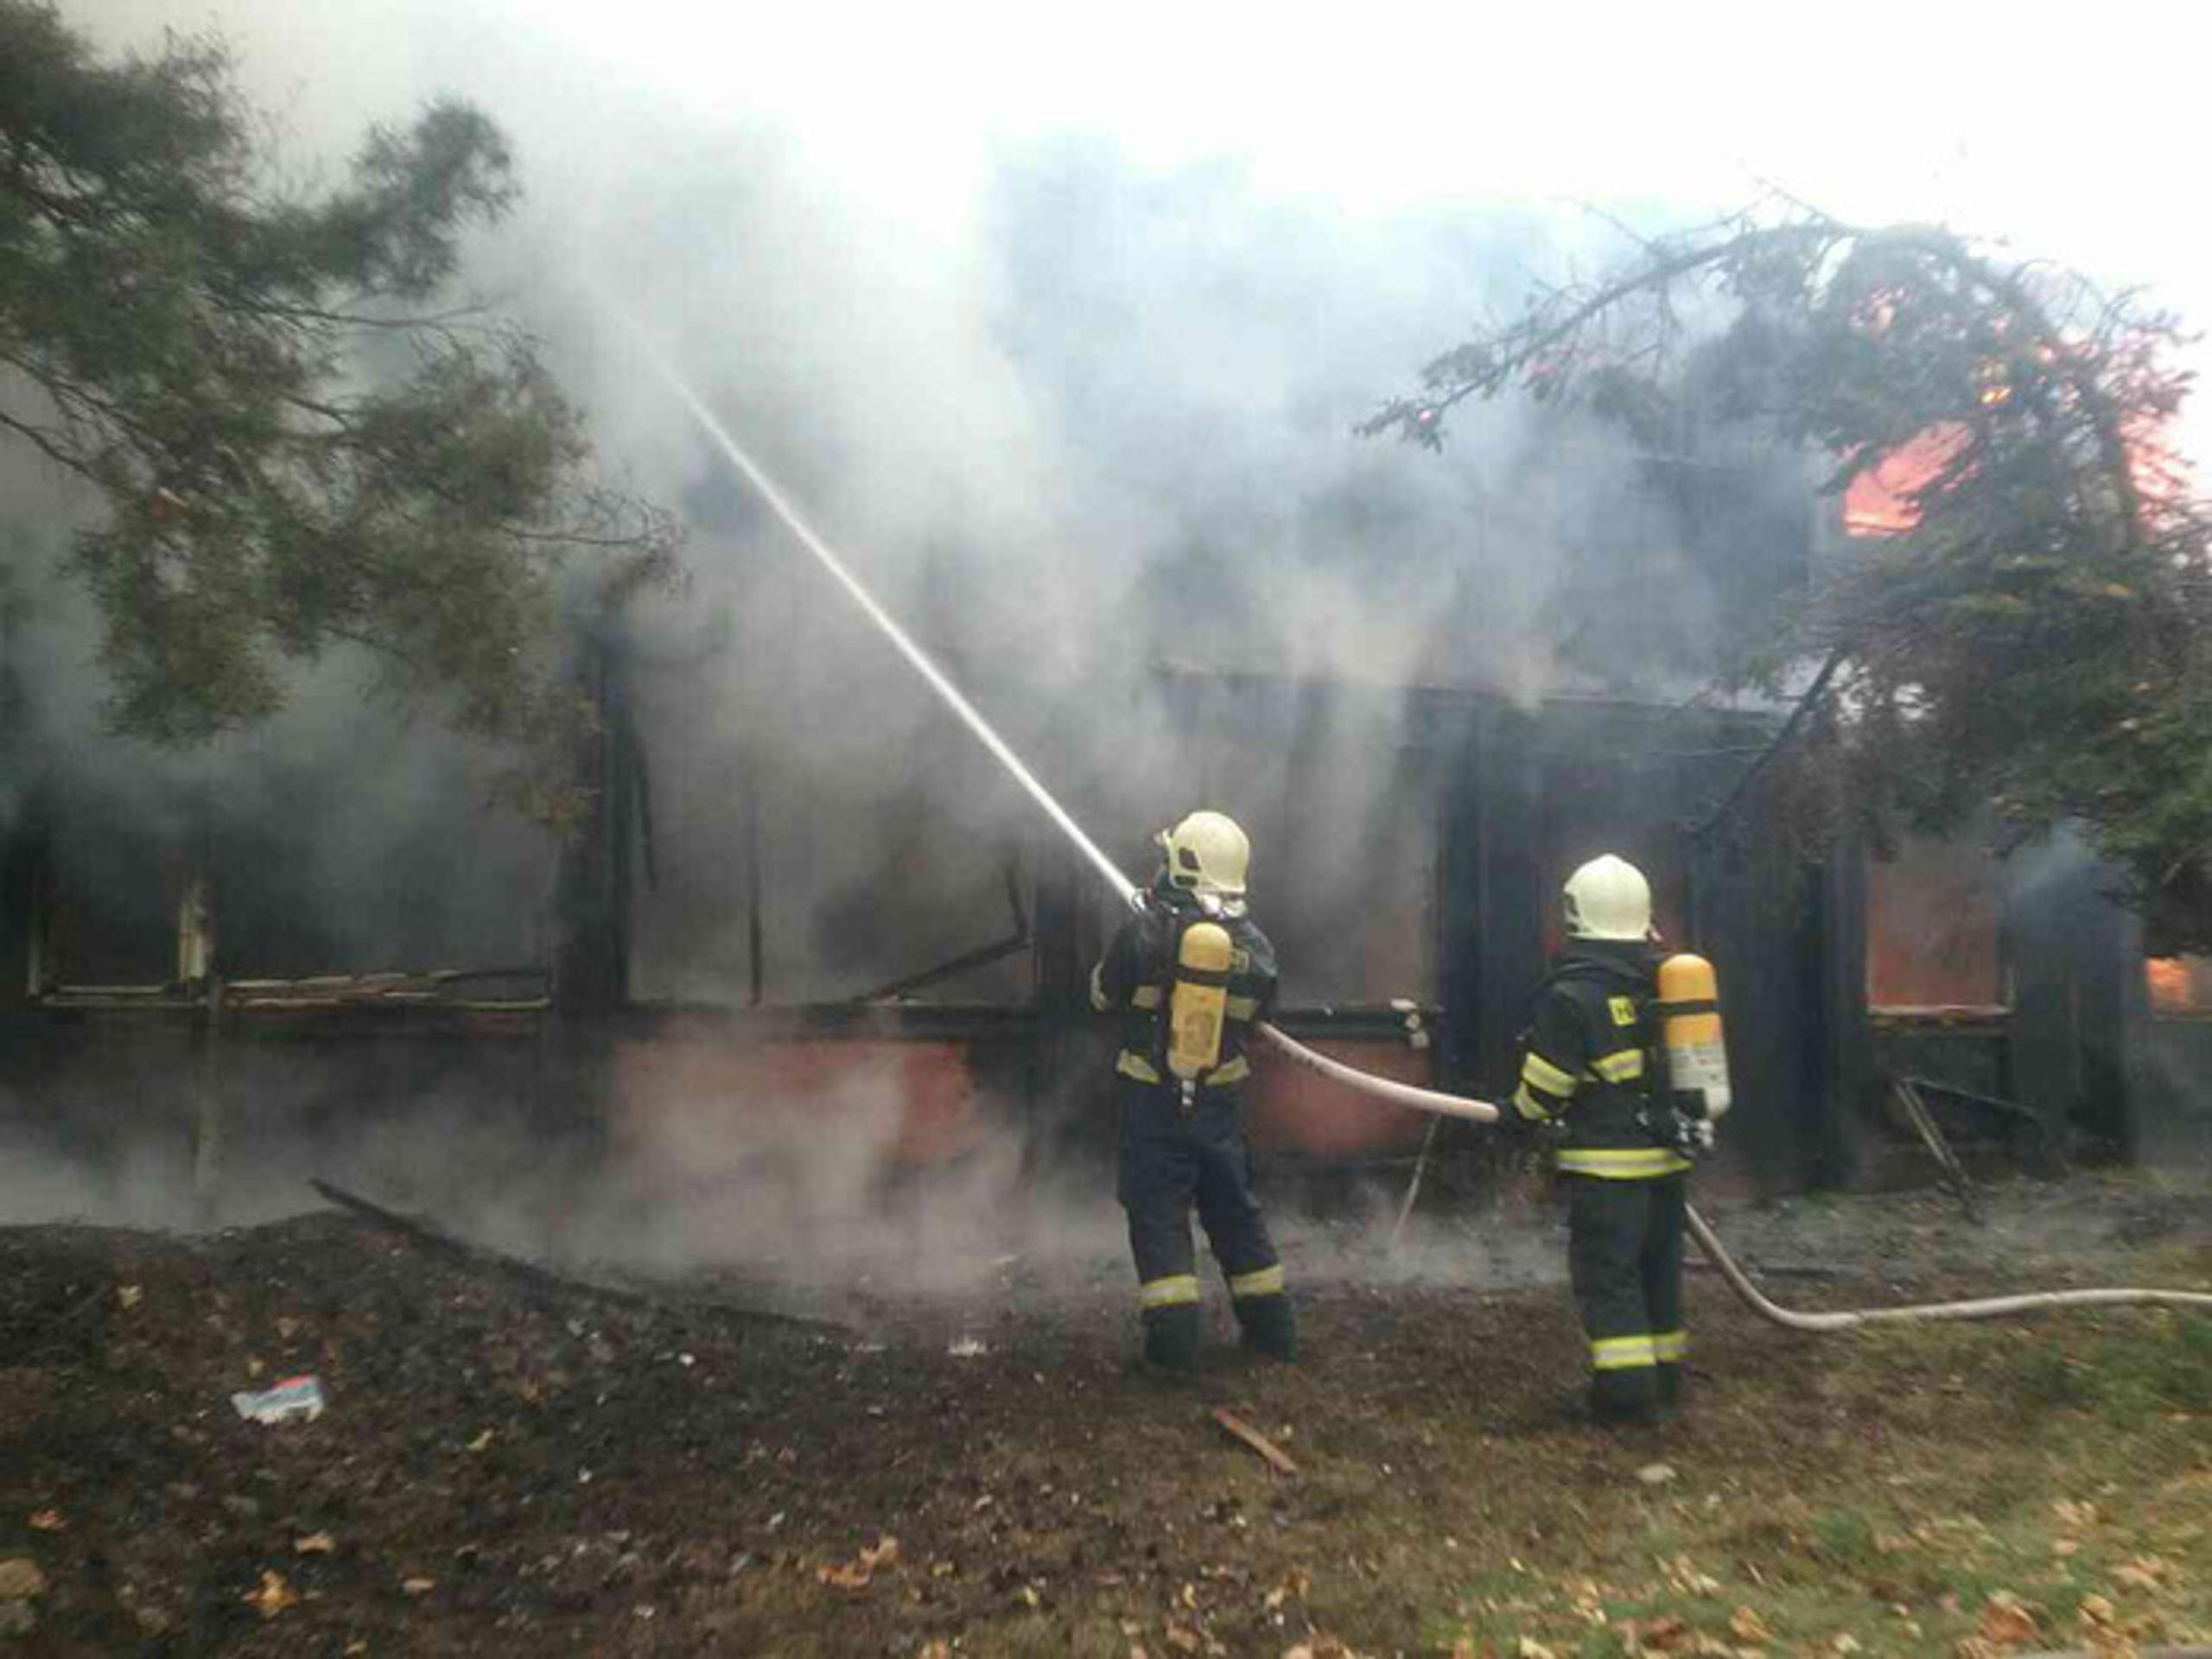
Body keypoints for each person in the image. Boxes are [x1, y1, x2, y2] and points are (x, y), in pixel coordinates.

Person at [1090, 810, 1294, 1371]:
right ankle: (1274, 1335)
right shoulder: (1256, 947)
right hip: (1220, 1106)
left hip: (1153, 1102)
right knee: (1234, 1210)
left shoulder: (1144, 933)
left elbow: (1104, 996)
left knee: (1158, 1214)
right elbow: (1260, 1018)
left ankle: (1175, 1349)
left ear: (1181, 864)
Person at [1510, 854, 1701, 1425]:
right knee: (1658, 1272)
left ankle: (1624, 1396)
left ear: (1575, 918)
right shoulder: (1663, 982)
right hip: (1668, 1164)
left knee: (1609, 1278)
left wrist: (1513, 1114)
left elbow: (1545, 1090)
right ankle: (1665, 1379)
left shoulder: (1571, 998)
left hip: (1608, 1173)